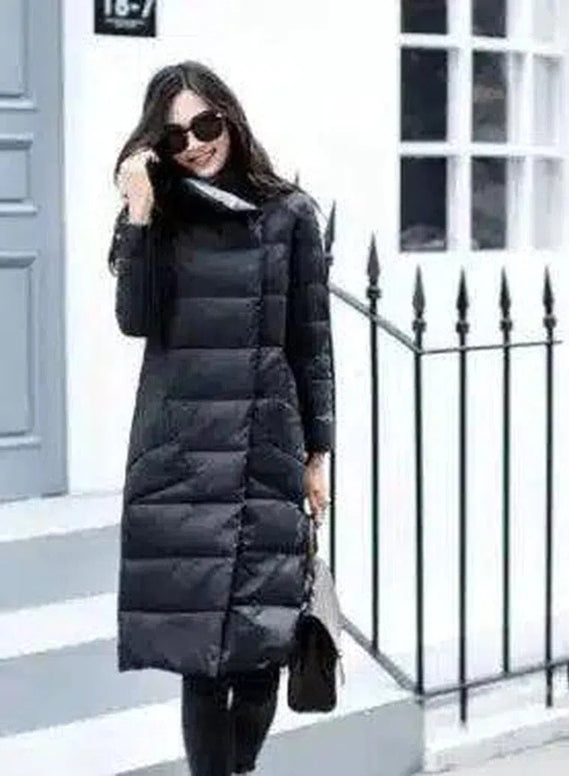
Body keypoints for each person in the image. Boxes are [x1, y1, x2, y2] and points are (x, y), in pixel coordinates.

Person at [107, 61, 335, 776]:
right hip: (182, 455)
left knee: (262, 653)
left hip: (266, 447)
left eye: (205, 124)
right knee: (202, 664)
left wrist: (318, 454)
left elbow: (311, 343)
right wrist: (140, 209)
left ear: (229, 118)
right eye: (175, 136)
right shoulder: (159, 214)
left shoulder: (290, 214)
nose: (195, 144)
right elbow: (134, 318)